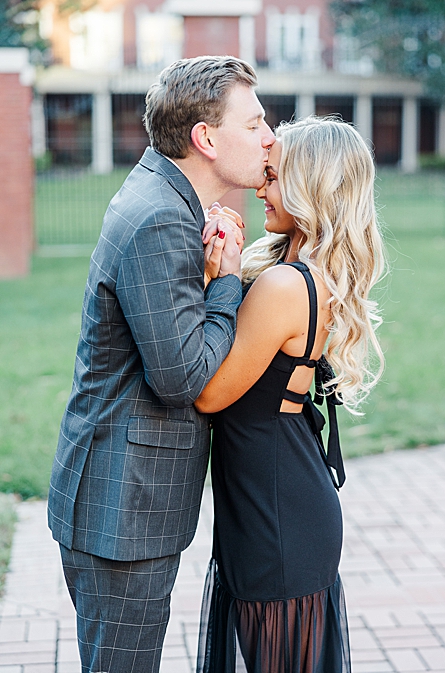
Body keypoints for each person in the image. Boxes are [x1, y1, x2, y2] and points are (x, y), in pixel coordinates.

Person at [47, 56, 274, 673]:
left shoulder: (163, 200)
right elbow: (182, 377)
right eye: (254, 124)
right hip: (122, 507)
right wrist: (226, 282)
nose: (269, 137)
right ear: (206, 138)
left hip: (119, 496)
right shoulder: (161, 218)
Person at [192, 117, 385, 673]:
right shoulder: (295, 272)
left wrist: (224, 280)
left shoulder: (284, 284)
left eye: (272, 177)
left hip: (275, 512)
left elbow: (208, 395)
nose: (259, 188)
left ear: (310, 186)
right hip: (274, 497)